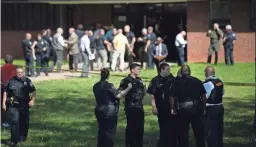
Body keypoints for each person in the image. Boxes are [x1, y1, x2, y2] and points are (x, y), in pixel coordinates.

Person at [93, 68, 132, 147]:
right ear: (108, 76)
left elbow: (106, 94)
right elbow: (118, 95)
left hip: (99, 109)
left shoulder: (95, 86)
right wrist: (128, 88)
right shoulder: (109, 85)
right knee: (110, 131)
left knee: (101, 130)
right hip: (109, 110)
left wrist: (117, 90)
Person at [170, 65, 206, 147]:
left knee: (183, 132)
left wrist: (172, 108)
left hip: (183, 109)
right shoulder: (198, 81)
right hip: (197, 108)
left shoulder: (177, 82)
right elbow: (203, 96)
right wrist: (203, 107)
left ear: (181, 72)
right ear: (190, 72)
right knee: (199, 131)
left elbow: (171, 97)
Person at [2, 66, 36, 146]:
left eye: (21, 72)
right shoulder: (11, 81)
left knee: (24, 122)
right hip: (14, 105)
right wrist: (3, 103)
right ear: (16, 73)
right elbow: (5, 92)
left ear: (23, 72)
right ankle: (14, 140)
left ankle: (22, 138)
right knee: (14, 122)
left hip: (24, 105)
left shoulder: (27, 81)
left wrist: (32, 100)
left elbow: (33, 91)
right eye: (18, 72)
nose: (19, 74)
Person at [147, 63, 178, 147]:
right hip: (161, 107)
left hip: (171, 107)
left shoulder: (172, 79)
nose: (169, 71)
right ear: (162, 70)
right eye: (167, 69)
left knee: (173, 127)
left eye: (169, 69)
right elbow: (152, 94)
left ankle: (173, 143)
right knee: (163, 127)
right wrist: (154, 106)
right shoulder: (155, 80)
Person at [119, 63, 146, 147]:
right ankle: (130, 144)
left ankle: (139, 144)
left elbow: (144, 91)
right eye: (138, 69)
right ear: (132, 70)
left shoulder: (139, 80)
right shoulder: (126, 81)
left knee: (140, 127)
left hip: (139, 106)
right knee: (131, 127)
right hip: (130, 106)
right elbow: (120, 93)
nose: (139, 71)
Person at [203, 66, 224, 147]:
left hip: (211, 109)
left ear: (208, 72)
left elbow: (204, 97)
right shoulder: (220, 81)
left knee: (210, 131)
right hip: (220, 107)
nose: (204, 73)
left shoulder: (207, 84)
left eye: (205, 72)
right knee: (219, 129)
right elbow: (222, 93)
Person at [1, 54, 17, 127]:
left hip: (3, 88)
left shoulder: (1, 68)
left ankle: (3, 121)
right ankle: (12, 121)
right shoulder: (15, 68)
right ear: (12, 61)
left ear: (4, 61)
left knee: (3, 105)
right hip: (13, 89)